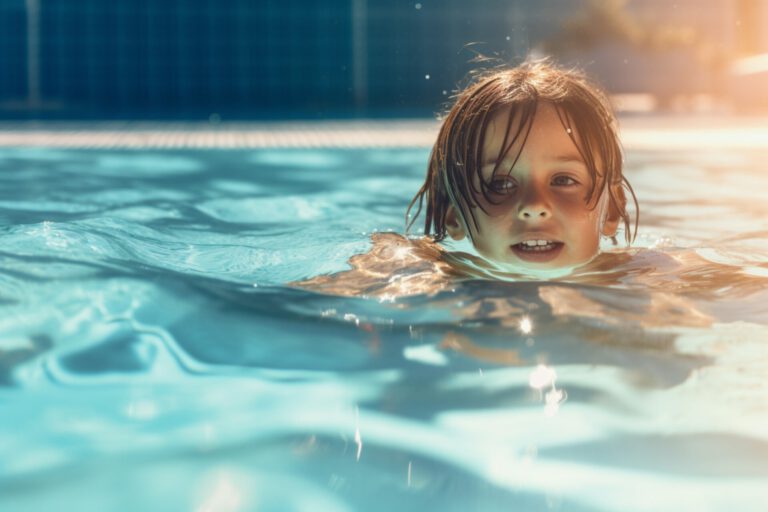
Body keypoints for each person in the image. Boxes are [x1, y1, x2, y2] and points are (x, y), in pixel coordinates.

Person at [296, 59, 639, 297]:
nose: (534, 207)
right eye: (500, 184)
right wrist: (388, 268)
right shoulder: (433, 276)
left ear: (611, 211)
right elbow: (310, 306)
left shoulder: (647, 277)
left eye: (563, 180)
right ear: (453, 215)